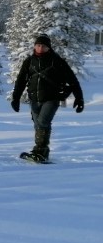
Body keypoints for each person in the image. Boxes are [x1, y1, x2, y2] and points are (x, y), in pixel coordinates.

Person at [10, 34, 84, 163]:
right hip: (34, 99)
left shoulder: (57, 61)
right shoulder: (29, 61)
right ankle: (41, 152)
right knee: (38, 124)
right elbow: (21, 81)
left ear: (48, 48)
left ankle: (40, 151)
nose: (40, 48)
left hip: (52, 98)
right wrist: (15, 98)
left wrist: (79, 98)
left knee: (43, 122)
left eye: (43, 46)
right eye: (38, 45)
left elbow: (72, 80)